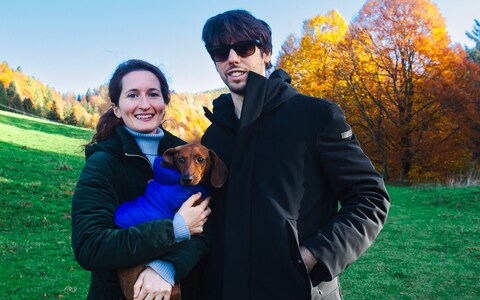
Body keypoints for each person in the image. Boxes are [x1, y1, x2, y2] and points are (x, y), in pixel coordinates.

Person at [198, 9, 391, 300]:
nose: (233, 58)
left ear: (266, 53)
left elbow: (370, 198)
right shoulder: (214, 137)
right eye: (221, 51)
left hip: (301, 290)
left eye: (245, 47)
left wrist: (313, 255)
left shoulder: (315, 116)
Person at [71, 59, 211, 300]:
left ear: (165, 104)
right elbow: (90, 246)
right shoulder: (103, 163)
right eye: (133, 95)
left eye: (153, 94)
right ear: (116, 107)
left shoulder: (186, 155)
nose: (144, 105)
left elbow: (206, 229)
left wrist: (167, 268)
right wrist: (174, 229)